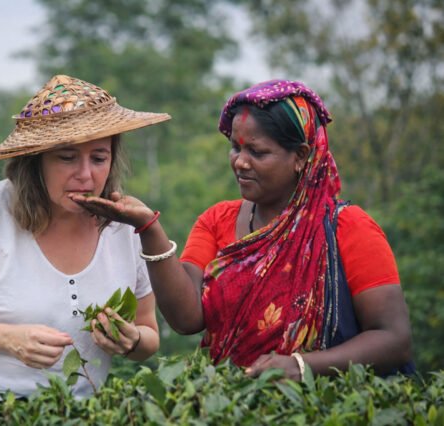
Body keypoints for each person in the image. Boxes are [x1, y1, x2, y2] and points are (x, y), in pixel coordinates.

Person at [70, 79, 415, 380]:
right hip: (236, 404)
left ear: (301, 156)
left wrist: (303, 365)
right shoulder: (217, 220)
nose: (240, 161)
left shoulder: (348, 228)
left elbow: (394, 339)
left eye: (257, 152)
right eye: (235, 147)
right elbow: (188, 318)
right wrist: (149, 228)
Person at [0, 75, 170, 404]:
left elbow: (149, 334)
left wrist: (131, 341)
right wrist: (7, 338)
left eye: (99, 158)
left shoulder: (123, 226)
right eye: (67, 157)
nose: (86, 175)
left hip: (83, 410)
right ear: (35, 160)